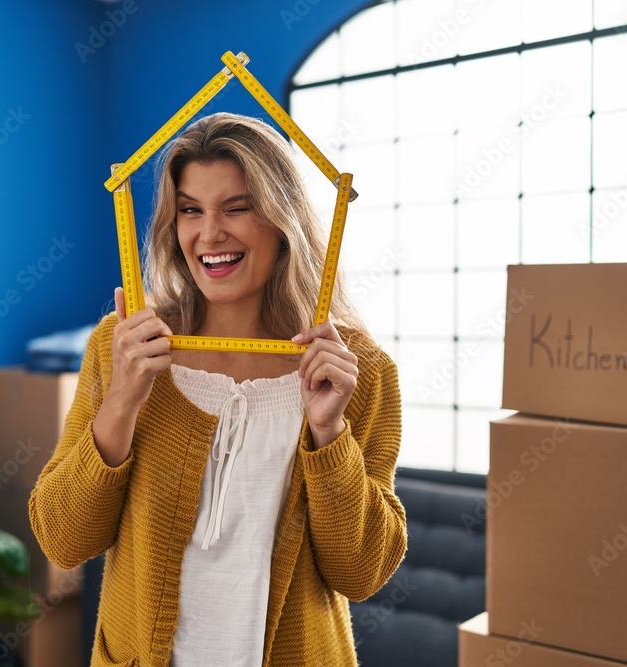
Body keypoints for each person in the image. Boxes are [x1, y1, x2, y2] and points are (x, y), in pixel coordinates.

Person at [29, 112, 407, 667]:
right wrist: (123, 403)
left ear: (282, 219)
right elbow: (64, 540)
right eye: (190, 210)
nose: (209, 235)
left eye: (237, 207)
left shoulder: (356, 370)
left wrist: (329, 435)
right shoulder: (126, 346)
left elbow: (363, 573)